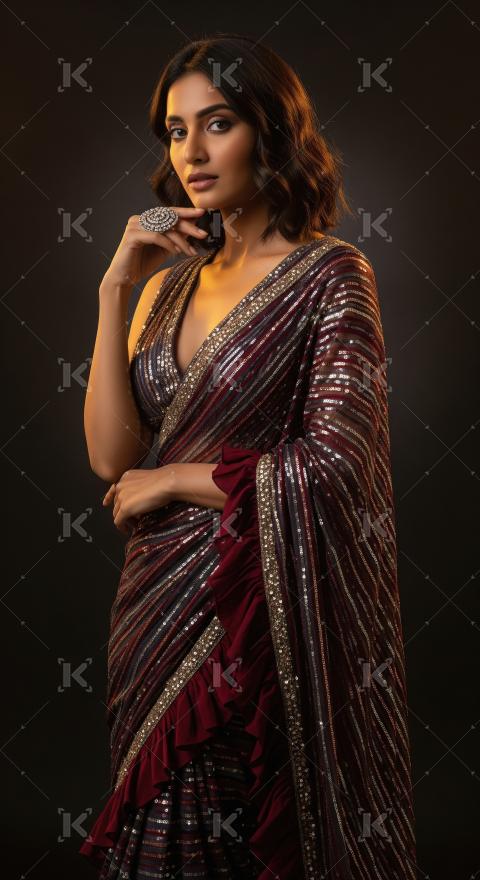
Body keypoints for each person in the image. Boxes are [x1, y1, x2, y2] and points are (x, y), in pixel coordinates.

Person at [80, 32, 418, 880]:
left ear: (270, 129)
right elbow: (110, 456)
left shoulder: (331, 275)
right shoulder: (164, 288)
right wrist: (114, 288)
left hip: (254, 610)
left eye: (217, 122)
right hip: (151, 615)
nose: (190, 152)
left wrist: (174, 479)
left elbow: (337, 464)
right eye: (173, 130)